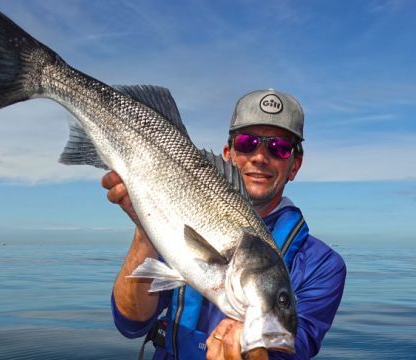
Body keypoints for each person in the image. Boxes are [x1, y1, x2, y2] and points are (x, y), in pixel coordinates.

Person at [102, 89, 346, 359]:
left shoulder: (323, 265)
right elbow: (131, 324)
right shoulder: (176, 218)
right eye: (247, 142)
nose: (260, 157)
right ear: (228, 154)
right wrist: (145, 231)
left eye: (279, 147)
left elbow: (294, 346)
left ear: (295, 165)